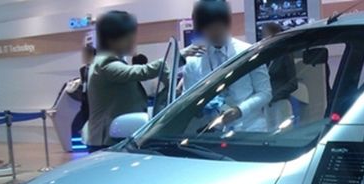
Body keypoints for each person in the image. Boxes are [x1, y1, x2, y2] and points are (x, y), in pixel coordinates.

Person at [86, 11, 191, 152]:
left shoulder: (109, 60)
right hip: (108, 140)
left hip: (115, 137)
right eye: (129, 37)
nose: (133, 41)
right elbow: (140, 72)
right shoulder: (105, 62)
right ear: (113, 38)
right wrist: (176, 56)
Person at [183, 0, 271, 131]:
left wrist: (240, 110)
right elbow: (188, 102)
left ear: (226, 23)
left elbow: (265, 92)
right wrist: (199, 109)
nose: (214, 32)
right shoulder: (193, 61)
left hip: (251, 129)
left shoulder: (249, 52)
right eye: (208, 28)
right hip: (213, 133)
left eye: (217, 26)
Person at [261, 22, 298, 131]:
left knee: (283, 133)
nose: (263, 38)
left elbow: (293, 83)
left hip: (281, 103)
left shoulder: (285, 55)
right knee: (269, 133)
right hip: (268, 105)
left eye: (265, 34)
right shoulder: (266, 56)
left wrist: (275, 95)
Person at [71, 45, 95, 137]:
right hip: (85, 100)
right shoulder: (82, 70)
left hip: (95, 101)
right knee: (77, 125)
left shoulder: (97, 69)